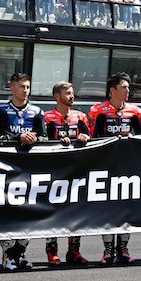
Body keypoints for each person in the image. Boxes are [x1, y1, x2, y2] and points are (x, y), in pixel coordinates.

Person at [88, 72, 141, 265]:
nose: (128, 90)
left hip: (128, 168)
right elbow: (91, 138)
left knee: (127, 207)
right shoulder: (98, 110)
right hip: (106, 167)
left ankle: (124, 248)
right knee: (108, 208)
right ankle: (108, 250)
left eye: (128, 87)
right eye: (124, 87)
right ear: (113, 90)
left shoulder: (135, 110)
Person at [0, 72, 45, 270]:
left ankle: (20, 253)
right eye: (22, 86)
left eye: (28, 87)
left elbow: (46, 138)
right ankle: (7, 256)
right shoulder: (0, 110)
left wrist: (35, 139)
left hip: (31, 169)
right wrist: (18, 139)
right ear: (12, 87)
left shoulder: (37, 111)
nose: (25, 91)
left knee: (29, 212)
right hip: (6, 169)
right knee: (9, 212)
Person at [43, 81, 90, 266]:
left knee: (76, 212)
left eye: (72, 93)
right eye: (68, 93)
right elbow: (41, 140)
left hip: (77, 171)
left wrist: (86, 137)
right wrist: (55, 141)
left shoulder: (81, 116)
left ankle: (74, 251)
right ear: (57, 96)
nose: (72, 96)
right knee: (53, 212)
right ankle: (52, 252)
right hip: (53, 172)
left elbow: (93, 138)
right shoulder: (46, 117)